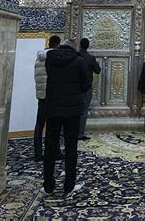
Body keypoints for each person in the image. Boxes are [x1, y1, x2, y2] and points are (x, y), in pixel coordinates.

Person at [43, 38, 91, 196]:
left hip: (53, 108)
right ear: (74, 48)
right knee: (71, 148)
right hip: (72, 111)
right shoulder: (79, 61)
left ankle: (48, 185)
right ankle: (69, 185)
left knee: (50, 146)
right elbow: (86, 84)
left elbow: (49, 78)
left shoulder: (50, 59)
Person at [33, 34, 64, 162]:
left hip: (41, 96)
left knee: (39, 125)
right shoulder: (55, 58)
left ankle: (38, 153)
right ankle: (55, 151)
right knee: (55, 125)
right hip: (53, 95)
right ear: (57, 44)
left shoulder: (39, 58)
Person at [78, 38, 101, 141]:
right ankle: (80, 133)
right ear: (88, 46)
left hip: (75, 87)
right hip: (86, 88)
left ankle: (70, 131)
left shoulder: (76, 56)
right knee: (83, 111)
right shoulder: (90, 58)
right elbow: (97, 70)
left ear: (79, 45)